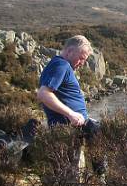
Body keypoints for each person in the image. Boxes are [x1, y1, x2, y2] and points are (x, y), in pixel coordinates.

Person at [37, 35, 104, 177]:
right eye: (81, 58)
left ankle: (100, 177)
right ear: (69, 51)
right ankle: (102, 179)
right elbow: (43, 94)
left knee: (98, 130)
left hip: (74, 123)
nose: (82, 63)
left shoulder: (60, 65)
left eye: (84, 60)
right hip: (68, 125)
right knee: (103, 133)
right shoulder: (61, 65)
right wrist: (71, 114)